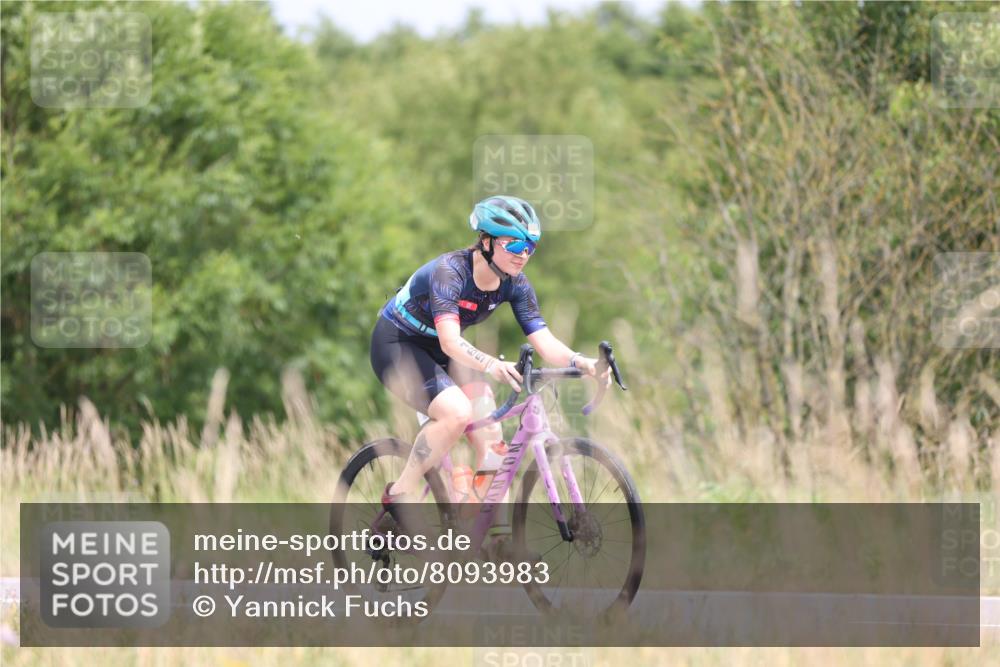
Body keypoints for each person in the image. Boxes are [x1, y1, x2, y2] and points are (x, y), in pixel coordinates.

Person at [369, 195, 608, 521]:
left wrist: (583, 363)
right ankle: (398, 497)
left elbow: (544, 341)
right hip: (398, 344)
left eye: (530, 247)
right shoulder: (449, 272)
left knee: (495, 444)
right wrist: (492, 364)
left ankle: (489, 532)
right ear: (486, 241)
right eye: (514, 245)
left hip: (442, 350)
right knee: (455, 414)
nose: (523, 255)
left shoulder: (515, 284)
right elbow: (451, 341)